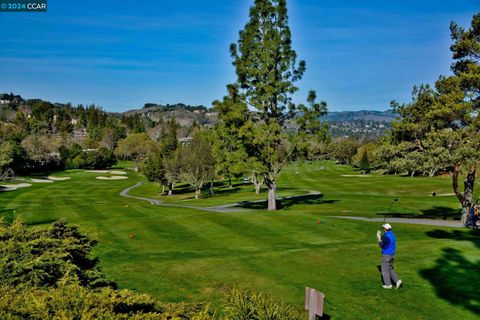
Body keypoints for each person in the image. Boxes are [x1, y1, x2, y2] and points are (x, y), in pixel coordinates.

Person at [376, 223, 402, 289]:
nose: (383, 229)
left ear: (385, 229)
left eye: (383, 228)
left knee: (384, 270)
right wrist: (380, 235)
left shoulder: (386, 237)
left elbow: (381, 245)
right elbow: (385, 239)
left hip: (386, 255)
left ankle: (388, 285)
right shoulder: (392, 235)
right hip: (392, 255)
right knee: (390, 269)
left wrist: (378, 237)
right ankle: (398, 280)